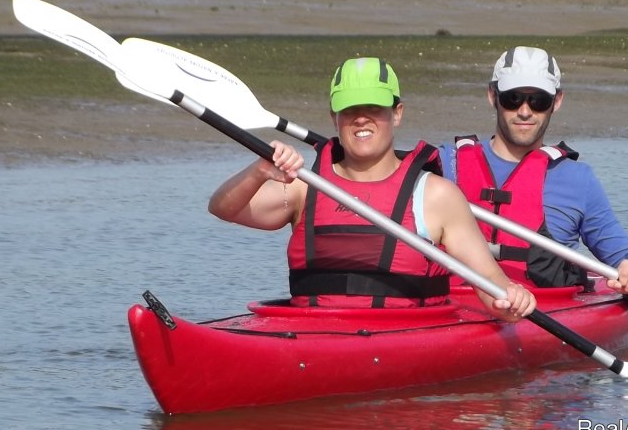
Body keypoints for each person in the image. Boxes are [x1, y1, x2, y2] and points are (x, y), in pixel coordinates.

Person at [209, 56, 536, 321]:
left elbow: (491, 286)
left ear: (397, 113)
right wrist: (259, 170)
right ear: (334, 116)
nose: (361, 120)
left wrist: (511, 301)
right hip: (311, 330)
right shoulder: (304, 187)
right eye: (350, 110)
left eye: (374, 109)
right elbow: (223, 208)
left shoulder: (437, 196)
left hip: (404, 333)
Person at [439, 46, 628, 297]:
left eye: (539, 101)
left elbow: (624, 258)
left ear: (557, 101)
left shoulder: (578, 180)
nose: (524, 111)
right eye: (512, 98)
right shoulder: (446, 164)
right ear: (492, 96)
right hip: (454, 307)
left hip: (544, 309)